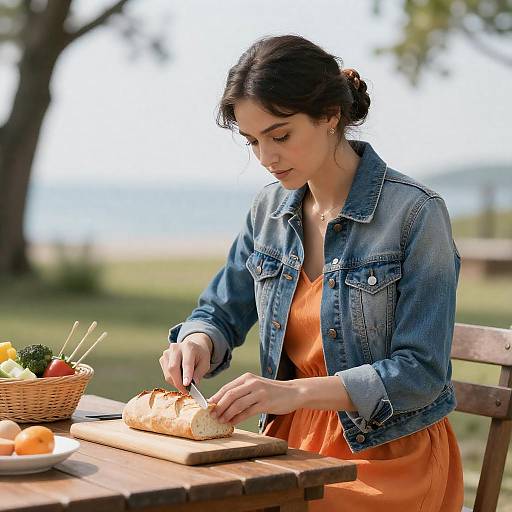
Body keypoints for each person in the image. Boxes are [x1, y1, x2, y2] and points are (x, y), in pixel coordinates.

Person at [159, 34, 464, 511]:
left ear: (329, 116)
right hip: (287, 446)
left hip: (386, 455)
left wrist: (291, 393)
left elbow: (421, 373)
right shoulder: (268, 211)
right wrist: (198, 341)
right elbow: (220, 310)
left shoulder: (415, 214)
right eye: (253, 141)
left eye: (280, 136)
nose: (266, 157)